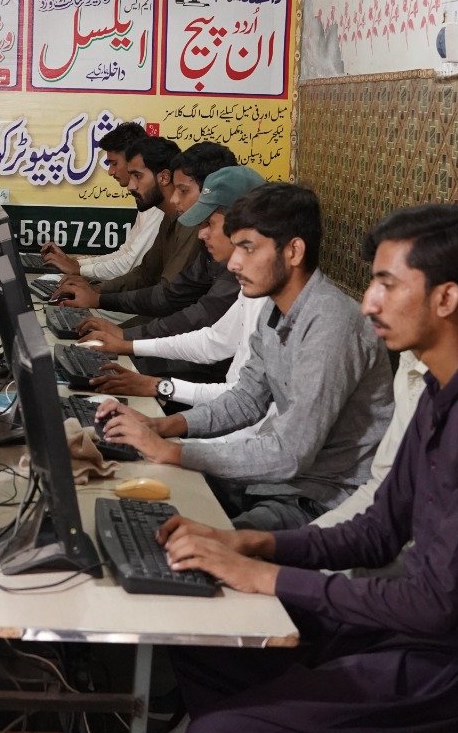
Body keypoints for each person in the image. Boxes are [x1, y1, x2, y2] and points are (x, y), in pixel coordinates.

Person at [152, 204, 458, 733]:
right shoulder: (438, 388)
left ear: (445, 297)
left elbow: (435, 602)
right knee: (202, 638)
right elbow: (379, 530)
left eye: (387, 284)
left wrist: (272, 582)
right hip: (412, 623)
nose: (368, 302)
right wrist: (257, 547)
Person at [99, 184, 393, 530]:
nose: (235, 262)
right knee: (129, 489)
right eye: (235, 246)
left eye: (248, 248)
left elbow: (290, 453)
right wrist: (161, 427)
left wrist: (176, 451)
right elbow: (245, 400)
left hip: (320, 503)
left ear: (293, 251)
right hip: (274, 485)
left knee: (181, 543)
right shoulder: (275, 307)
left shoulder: (331, 322)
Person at [87, 166, 267, 404]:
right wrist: (130, 344)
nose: (201, 234)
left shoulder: (294, 309)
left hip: (215, 389)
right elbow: (212, 340)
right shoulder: (249, 284)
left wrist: (160, 388)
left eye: (209, 224)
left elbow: (244, 404)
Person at [52, 135, 182, 310]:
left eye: (137, 176)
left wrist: (97, 298)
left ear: (164, 178)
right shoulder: (165, 216)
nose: (131, 186)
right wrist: (95, 290)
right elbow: (143, 273)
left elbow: (166, 296)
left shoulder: (183, 220)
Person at [39, 122, 162, 283]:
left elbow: (130, 265)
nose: (110, 172)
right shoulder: (145, 198)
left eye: (114, 163)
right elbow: (125, 253)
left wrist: (79, 270)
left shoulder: (157, 203)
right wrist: (75, 264)